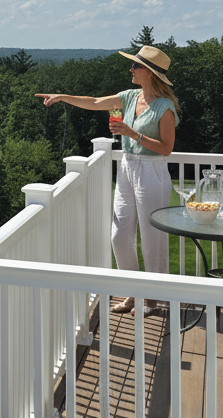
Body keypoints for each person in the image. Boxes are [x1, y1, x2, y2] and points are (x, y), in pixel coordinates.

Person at [36, 45, 180, 315]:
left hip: (152, 170)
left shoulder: (165, 107)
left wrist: (131, 132)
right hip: (127, 167)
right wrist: (62, 97)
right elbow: (94, 102)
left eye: (135, 66)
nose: (131, 69)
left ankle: (152, 299)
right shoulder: (128, 97)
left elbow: (166, 148)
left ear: (149, 72)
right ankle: (133, 293)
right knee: (119, 235)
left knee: (152, 239)